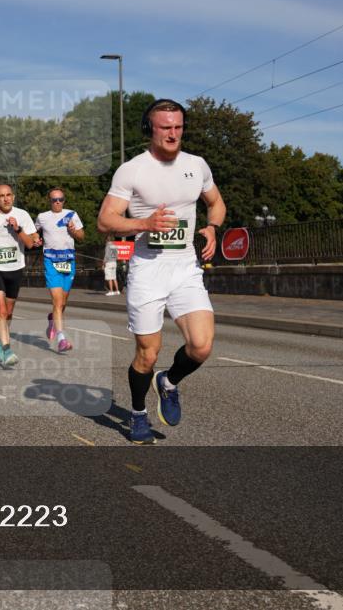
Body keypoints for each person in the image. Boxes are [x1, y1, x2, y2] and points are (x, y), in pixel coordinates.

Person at [97, 98, 226, 445]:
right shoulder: (133, 170)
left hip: (185, 267)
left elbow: (215, 202)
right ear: (150, 129)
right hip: (147, 270)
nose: (173, 133)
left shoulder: (197, 165)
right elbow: (105, 220)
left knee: (201, 346)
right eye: (165, 127)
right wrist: (144, 222)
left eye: (178, 127)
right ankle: (138, 413)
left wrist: (212, 228)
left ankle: (168, 382)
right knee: (147, 353)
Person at [0, 183, 40, 367]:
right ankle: (7, 348)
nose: (6, 198)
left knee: (9, 312)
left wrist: (19, 230)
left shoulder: (22, 215)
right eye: (1, 196)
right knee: (1, 310)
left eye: (9, 195)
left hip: (15, 268)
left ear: (13, 196)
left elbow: (30, 243)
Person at [35, 188, 84, 352]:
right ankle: (62, 339)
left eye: (60, 199)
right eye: (54, 200)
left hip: (68, 261)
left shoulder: (71, 214)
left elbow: (82, 236)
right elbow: (34, 233)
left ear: (64, 200)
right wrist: (36, 240)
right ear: (49, 201)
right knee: (57, 302)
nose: (57, 202)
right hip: (51, 261)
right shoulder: (42, 217)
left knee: (62, 303)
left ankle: (52, 320)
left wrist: (74, 230)